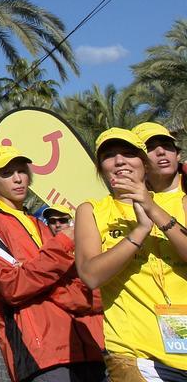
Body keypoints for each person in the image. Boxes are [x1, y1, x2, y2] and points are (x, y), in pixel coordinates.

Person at [0, 145, 104, 382]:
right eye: (7, 173)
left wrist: (97, 299)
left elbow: (71, 281)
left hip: (82, 344)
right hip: (39, 351)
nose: (17, 178)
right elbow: (13, 287)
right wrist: (63, 244)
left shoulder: (39, 225)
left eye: (22, 171)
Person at [75, 128, 187, 382]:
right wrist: (141, 230)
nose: (120, 161)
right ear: (101, 168)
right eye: (109, 155)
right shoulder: (91, 210)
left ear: (144, 164)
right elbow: (90, 275)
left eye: (128, 153)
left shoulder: (180, 203)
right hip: (133, 355)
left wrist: (152, 209)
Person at [134, 122, 183, 197]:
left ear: (178, 155)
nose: (161, 152)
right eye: (149, 147)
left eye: (166, 145)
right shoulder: (133, 202)